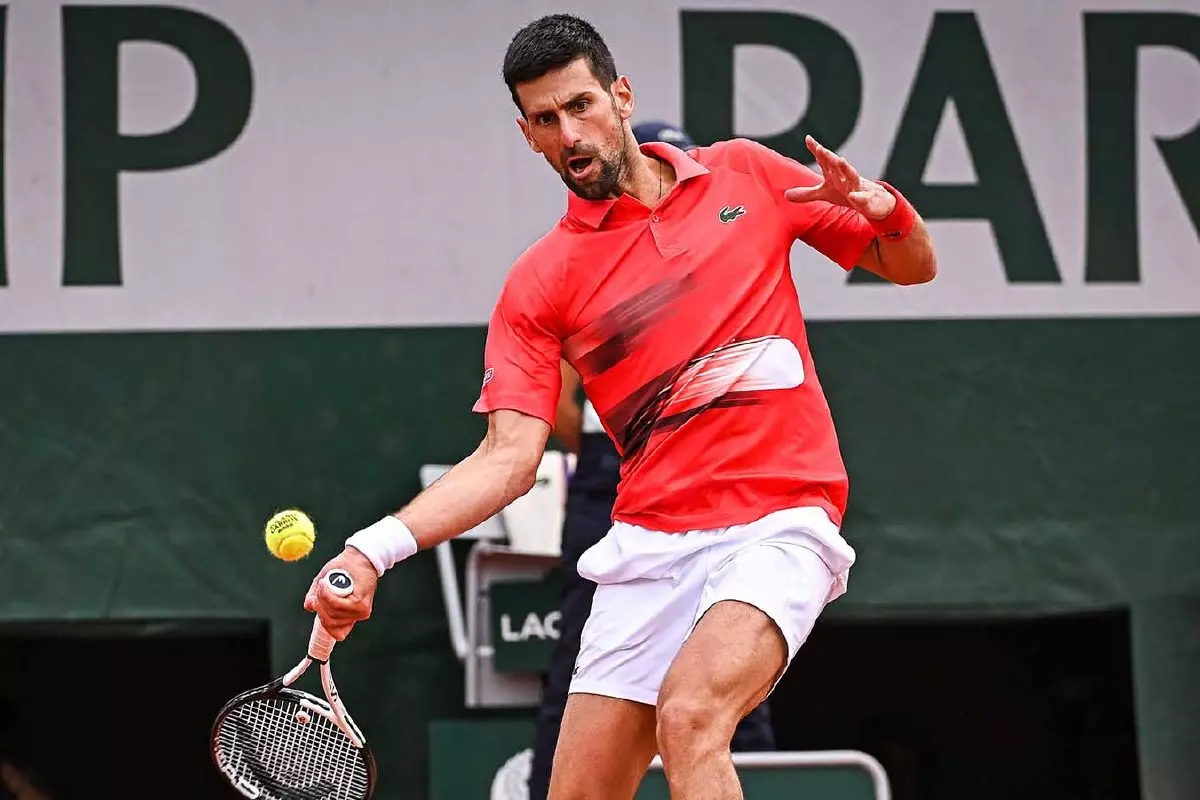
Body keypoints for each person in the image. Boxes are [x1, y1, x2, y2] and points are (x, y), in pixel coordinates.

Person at [305, 13, 936, 800]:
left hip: (778, 519)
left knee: (691, 717)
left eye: (581, 106)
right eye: (545, 119)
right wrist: (371, 551)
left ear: (621, 96)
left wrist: (889, 215)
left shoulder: (747, 176)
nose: (569, 133)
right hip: (647, 547)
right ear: (527, 133)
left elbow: (912, 267)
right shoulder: (541, 283)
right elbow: (507, 459)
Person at [526, 121, 777, 800]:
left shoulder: (721, 257)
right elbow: (560, 404)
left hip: (728, 485)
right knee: (587, 664)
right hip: (618, 484)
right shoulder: (583, 273)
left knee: (715, 685)